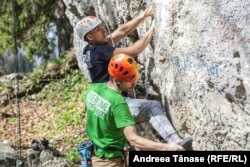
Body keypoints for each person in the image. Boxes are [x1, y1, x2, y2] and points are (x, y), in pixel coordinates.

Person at [75, 7, 193, 150]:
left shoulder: (88, 50)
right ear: (90, 37)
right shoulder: (101, 51)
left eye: (101, 26)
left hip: (102, 103)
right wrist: (152, 29)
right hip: (114, 102)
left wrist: (142, 16)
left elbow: (122, 32)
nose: (103, 29)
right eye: (98, 29)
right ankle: (176, 143)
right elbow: (133, 52)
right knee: (152, 107)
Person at [84, 54, 185, 167]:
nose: (134, 83)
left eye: (134, 78)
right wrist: (167, 147)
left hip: (97, 154)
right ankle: (175, 142)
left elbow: (96, 114)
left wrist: (119, 121)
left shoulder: (93, 89)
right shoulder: (118, 102)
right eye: (130, 80)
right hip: (110, 161)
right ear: (117, 80)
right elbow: (134, 140)